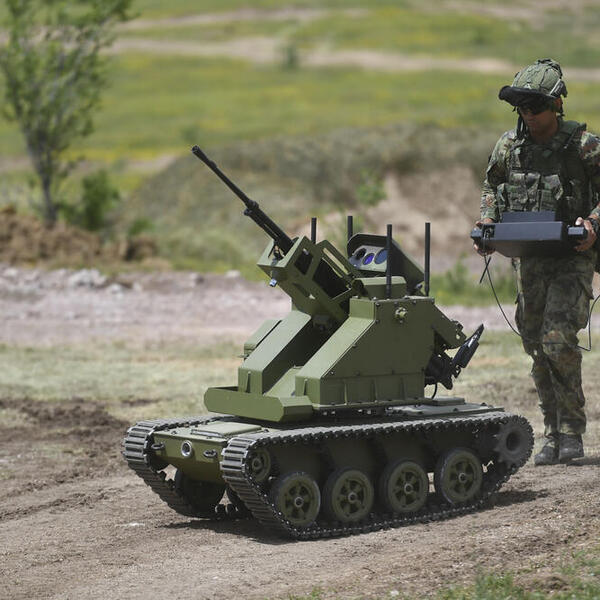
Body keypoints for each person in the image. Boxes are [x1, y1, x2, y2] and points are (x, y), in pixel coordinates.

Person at [473, 58, 600, 465]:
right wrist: (488, 221)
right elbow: (491, 184)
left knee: (557, 341)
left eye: (536, 106)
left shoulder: (584, 146)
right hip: (528, 258)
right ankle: (551, 432)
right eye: (522, 107)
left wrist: (593, 223)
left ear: (557, 105)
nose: (529, 114)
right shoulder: (509, 147)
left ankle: (572, 431)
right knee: (534, 344)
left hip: (571, 258)